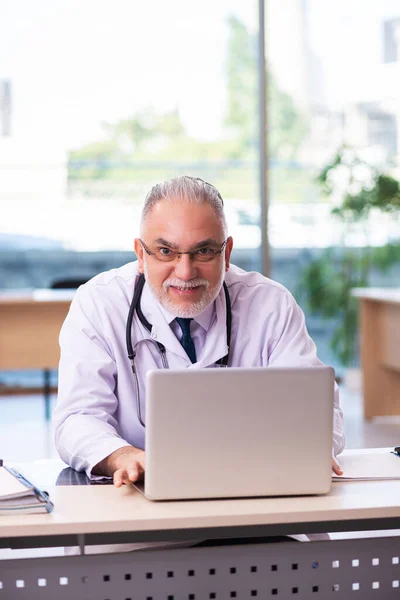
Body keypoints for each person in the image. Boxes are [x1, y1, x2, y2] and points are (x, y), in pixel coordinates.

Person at [53, 176, 344, 486]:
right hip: (141, 505)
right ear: (140, 254)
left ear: (227, 253)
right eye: (166, 251)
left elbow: (320, 412)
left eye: (203, 251)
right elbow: (77, 418)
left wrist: (305, 445)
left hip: (254, 493)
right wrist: (122, 455)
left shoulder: (271, 304)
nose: (185, 272)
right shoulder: (99, 303)